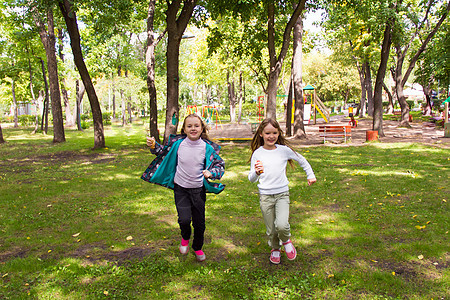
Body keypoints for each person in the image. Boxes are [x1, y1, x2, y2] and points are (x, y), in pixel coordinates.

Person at [141, 114, 225, 262]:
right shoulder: (177, 144)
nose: (193, 128)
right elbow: (162, 152)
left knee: (199, 223)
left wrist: (211, 172)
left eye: (196, 126)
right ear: (184, 129)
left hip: (198, 190)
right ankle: (185, 237)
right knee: (184, 220)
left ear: (202, 128)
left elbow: (219, 165)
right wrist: (154, 146)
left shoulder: (207, 147)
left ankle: (197, 247)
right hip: (181, 189)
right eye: (189, 126)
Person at [248, 118, 316, 264]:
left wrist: (310, 175)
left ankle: (286, 241)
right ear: (261, 134)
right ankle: (275, 249)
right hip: (265, 196)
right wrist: (257, 173)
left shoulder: (283, 151)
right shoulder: (257, 154)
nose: (271, 136)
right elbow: (251, 179)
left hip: (282, 195)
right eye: (267, 133)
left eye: (274, 132)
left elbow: (302, 160)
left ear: (279, 133)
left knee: (282, 225)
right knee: (271, 230)